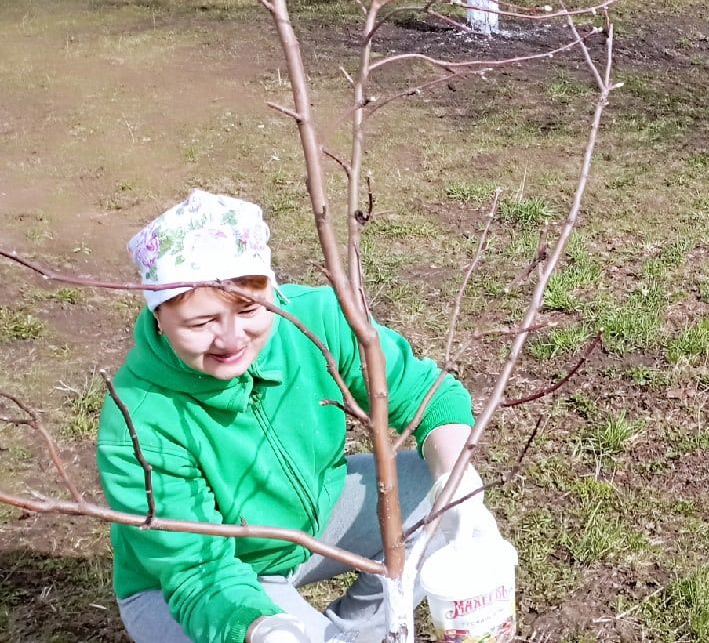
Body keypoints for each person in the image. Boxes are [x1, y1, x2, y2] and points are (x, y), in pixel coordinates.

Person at [97, 190, 501, 643]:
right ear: (158, 318)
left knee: (431, 493)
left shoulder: (318, 322)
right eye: (201, 323)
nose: (232, 339)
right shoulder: (139, 419)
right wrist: (262, 631)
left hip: (307, 529)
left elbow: (426, 394)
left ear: (272, 287)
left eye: (250, 309)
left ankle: (362, 635)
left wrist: (456, 480)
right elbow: (197, 574)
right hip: (194, 589)